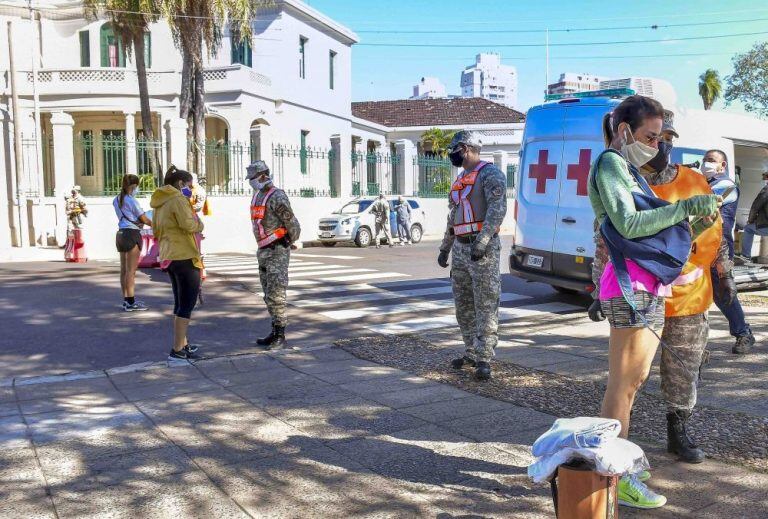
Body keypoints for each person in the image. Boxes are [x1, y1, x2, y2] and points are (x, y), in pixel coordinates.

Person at [587, 95, 718, 509]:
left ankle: (617, 466)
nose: (657, 146)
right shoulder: (611, 163)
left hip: (644, 285)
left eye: (660, 138)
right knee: (623, 387)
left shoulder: (626, 167)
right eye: (649, 136)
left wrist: (691, 216)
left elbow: (649, 230)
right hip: (631, 287)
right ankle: (614, 475)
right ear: (624, 130)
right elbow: (627, 223)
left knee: (633, 382)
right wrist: (683, 210)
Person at [437, 130, 507, 381]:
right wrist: (446, 247)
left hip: (481, 249)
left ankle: (484, 357)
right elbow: (453, 216)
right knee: (464, 304)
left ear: (466, 148)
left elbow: (497, 210)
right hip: (461, 248)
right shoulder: (461, 179)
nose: (451, 155)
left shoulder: (491, 174)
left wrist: (484, 240)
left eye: (454, 149)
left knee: (486, 304)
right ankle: (471, 351)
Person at [701, 149, 756, 354]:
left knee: (723, 293)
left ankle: (744, 333)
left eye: (711, 161)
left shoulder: (725, 186)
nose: (706, 164)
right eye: (704, 160)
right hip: (699, 247)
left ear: (722, 166)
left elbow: (700, 206)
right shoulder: (704, 184)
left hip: (719, 248)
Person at [150, 166, 204, 361]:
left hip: (169, 256)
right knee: (187, 304)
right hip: (184, 254)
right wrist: (200, 224)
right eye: (189, 185)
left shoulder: (158, 202)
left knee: (180, 303)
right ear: (181, 184)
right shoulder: (178, 199)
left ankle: (184, 344)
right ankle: (177, 349)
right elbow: (189, 224)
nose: (191, 189)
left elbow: (155, 229)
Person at [247, 160, 301, 350]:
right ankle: (274, 329)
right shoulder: (258, 195)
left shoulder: (276, 196)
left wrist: (290, 240)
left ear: (262, 176)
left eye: (253, 178)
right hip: (263, 251)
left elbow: (291, 222)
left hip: (277, 250)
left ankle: (280, 334)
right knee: (268, 294)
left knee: (277, 293)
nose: (251, 182)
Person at [113, 174, 152, 312]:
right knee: (131, 271)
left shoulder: (116, 199)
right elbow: (144, 219)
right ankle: (131, 302)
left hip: (121, 234)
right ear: (133, 186)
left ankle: (126, 300)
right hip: (132, 234)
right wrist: (156, 224)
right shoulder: (131, 201)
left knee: (124, 270)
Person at [741, 172, 768, 259]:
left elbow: (755, 206)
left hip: (766, 225)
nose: (764, 180)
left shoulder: (766, 190)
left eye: (765, 178)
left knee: (748, 228)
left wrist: (750, 220)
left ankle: (745, 256)